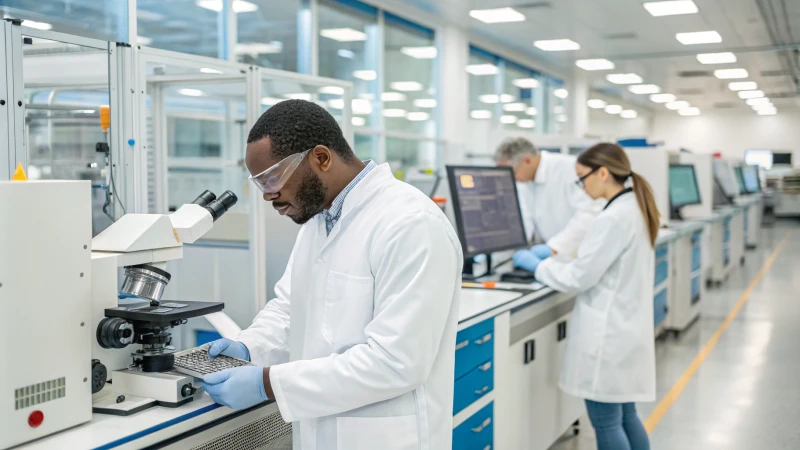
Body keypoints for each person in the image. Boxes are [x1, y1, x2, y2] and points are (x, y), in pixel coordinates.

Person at [199, 100, 463, 450]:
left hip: (385, 438)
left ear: (321, 158)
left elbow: (396, 362)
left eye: (273, 178)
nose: (268, 195)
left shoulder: (411, 224)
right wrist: (250, 347)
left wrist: (267, 382)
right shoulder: (319, 219)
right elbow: (291, 308)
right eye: (260, 183)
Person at [517, 143, 658, 450]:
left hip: (607, 338)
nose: (581, 187)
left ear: (603, 173)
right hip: (625, 331)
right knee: (627, 416)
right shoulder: (634, 207)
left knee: (607, 424)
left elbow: (579, 276)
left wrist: (539, 266)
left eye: (582, 178)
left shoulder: (613, 218)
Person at [494, 137, 603, 267]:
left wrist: (555, 247)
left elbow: (589, 214)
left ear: (527, 160)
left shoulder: (568, 169)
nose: (513, 179)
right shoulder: (525, 180)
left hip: (576, 256)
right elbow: (525, 219)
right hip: (550, 260)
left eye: (514, 172)